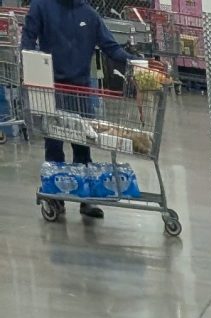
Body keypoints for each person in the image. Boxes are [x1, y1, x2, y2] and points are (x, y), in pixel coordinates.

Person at [23, 0, 131, 219]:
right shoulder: (41, 6)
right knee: (53, 144)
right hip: (51, 88)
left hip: (81, 89)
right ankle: (55, 196)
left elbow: (111, 47)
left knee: (83, 144)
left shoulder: (89, 15)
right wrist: (28, 69)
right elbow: (27, 40)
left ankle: (85, 199)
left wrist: (138, 63)